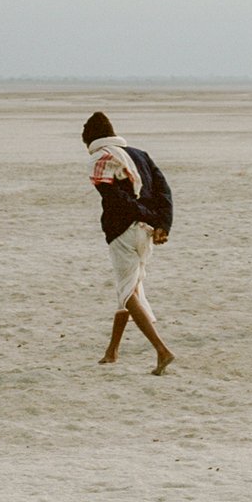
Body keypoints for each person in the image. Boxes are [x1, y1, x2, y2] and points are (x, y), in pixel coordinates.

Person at [83, 111, 176, 373]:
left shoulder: (100, 158)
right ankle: (112, 351)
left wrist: (146, 217)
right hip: (146, 231)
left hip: (123, 230)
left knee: (128, 291)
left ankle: (162, 351)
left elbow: (116, 201)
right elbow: (163, 191)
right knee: (130, 288)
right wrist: (161, 224)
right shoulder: (140, 155)